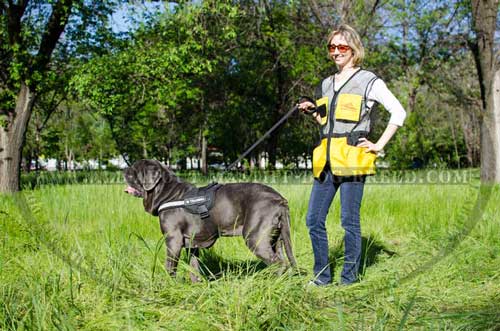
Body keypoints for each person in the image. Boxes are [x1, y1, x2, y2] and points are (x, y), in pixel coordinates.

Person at [298, 24, 406, 286]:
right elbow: (326, 124)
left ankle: (349, 280)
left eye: (341, 47)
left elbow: (398, 112)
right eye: (332, 47)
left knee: (349, 221)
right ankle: (322, 277)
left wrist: (379, 145)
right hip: (326, 159)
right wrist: (314, 112)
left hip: (353, 159)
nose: (336, 52)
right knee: (313, 220)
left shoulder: (369, 81)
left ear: (354, 49)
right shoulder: (326, 83)